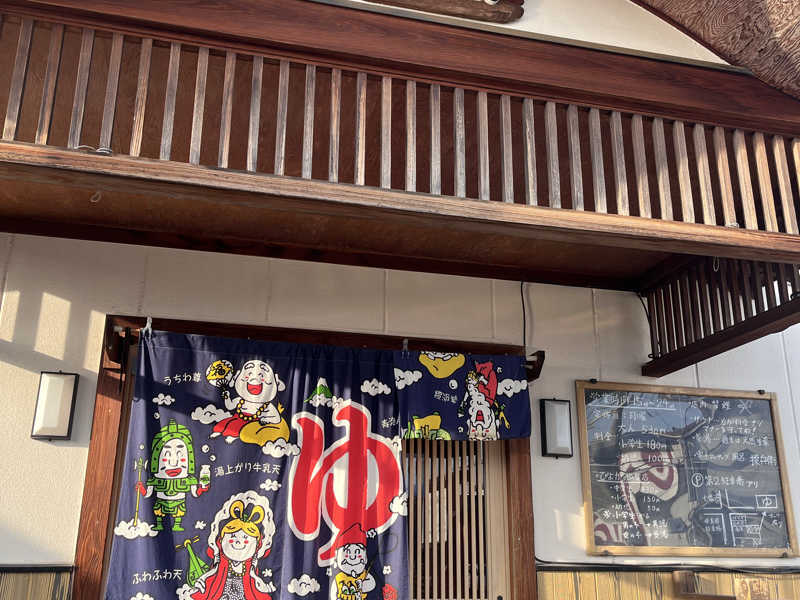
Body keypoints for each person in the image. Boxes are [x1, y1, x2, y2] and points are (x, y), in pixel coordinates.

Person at [190, 496, 275, 600]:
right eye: (233, 537)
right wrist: (202, 579)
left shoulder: (249, 566)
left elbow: (254, 578)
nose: (238, 542)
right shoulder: (222, 561)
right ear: (221, 540)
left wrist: (264, 587)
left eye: (245, 539)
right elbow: (213, 571)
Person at [137, 419, 208, 531]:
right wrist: (141, 488)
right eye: (166, 457)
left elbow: (195, 493)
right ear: (156, 461)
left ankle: (177, 524)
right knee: (159, 511)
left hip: (179, 501)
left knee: (179, 512)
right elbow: (148, 494)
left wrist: (202, 488)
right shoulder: (156, 480)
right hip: (161, 500)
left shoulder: (189, 480)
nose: (173, 463)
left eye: (181, 457)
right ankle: (159, 524)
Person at [329, 524, 376, 600]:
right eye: (347, 555)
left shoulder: (364, 575)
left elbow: (372, 584)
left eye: (358, 554)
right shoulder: (338, 578)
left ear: (365, 559)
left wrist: (363, 585)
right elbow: (333, 592)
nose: (352, 557)